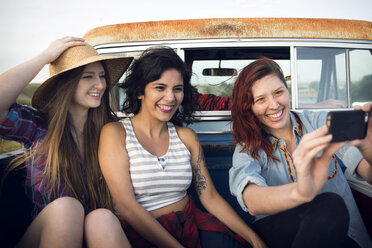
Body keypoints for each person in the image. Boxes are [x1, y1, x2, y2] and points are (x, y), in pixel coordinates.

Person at [98, 47, 267, 248]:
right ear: (140, 91)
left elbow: (210, 197)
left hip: (191, 224)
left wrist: (254, 239)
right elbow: (127, 207)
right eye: (160, 88)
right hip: (142, 232)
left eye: (177, 89)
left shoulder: (186, 137)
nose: (170, 98)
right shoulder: (115, 133)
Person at [0, 36, 133, 247]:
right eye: (88, 76)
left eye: (102, 76)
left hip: (95, 235)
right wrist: (44, 57)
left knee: (103, 218)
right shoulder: (39, 125)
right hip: (46, 235)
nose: (99, 84)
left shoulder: (111, 128)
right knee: (66, 209)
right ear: (67, 83)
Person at [228, 57, 372, 248]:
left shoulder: (319, 122)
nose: (274, 105)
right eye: (261, 99)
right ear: (250, 107)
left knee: (330, 206)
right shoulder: (249, 145)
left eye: (278, 93)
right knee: (329, 204)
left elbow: (368, 174)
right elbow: (252, 200)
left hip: (343, 236)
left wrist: (367, 147)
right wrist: (302, 192)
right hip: (283, 234)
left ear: (287, 91)